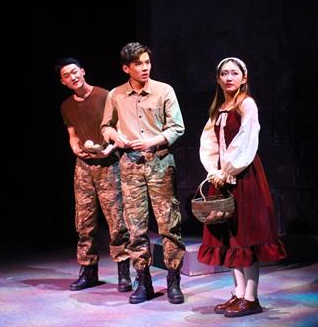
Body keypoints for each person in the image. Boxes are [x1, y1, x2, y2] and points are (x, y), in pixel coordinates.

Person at [197, 57, 287, 318]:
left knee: (246, 236)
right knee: (229, 236)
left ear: (244, 78)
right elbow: (209, 142)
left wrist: (228, 170)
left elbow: (245, 141)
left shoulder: (247, 104)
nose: (229, 78)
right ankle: (238, 293)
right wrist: (214, 171)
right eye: (224, 74)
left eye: (234, 73)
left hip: (243, 175)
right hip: (223, 177)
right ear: (218, 79)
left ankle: (251, 297)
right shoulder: (219, 108)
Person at [101, 42, 186, 304]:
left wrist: (152, 141)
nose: (145, 67)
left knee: (168, 224)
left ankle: (173, 280)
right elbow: (106, 127)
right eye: (138, 64)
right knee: (135, 227)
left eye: (147, 62)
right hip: (130, 164)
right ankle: (143, 281)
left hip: (159, 161)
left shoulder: (164, 90)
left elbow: (177, 127)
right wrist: (115, 137)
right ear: (126, 68)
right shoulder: (116, 94)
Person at [56, 57, 132, 292]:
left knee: (116, 221)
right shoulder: (66, 106)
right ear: (63, 82)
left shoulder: (104, 96)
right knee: (84, 221)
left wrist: (110, 148)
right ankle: (88, 271)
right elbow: (72, 134)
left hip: (108, 163)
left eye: (74, 72)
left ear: (83, 71)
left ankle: (123, 272)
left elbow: (119, 128)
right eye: (66, 76)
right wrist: (75, 147)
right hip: (84, 166)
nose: (72, 77)